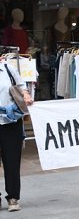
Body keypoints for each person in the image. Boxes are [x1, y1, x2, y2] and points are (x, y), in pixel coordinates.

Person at [0, 63, 32, 211]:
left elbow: (21, 85)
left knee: (12, 160)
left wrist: (26, 95)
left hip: (11, 121)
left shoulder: (8, 68)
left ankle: (13, 198)